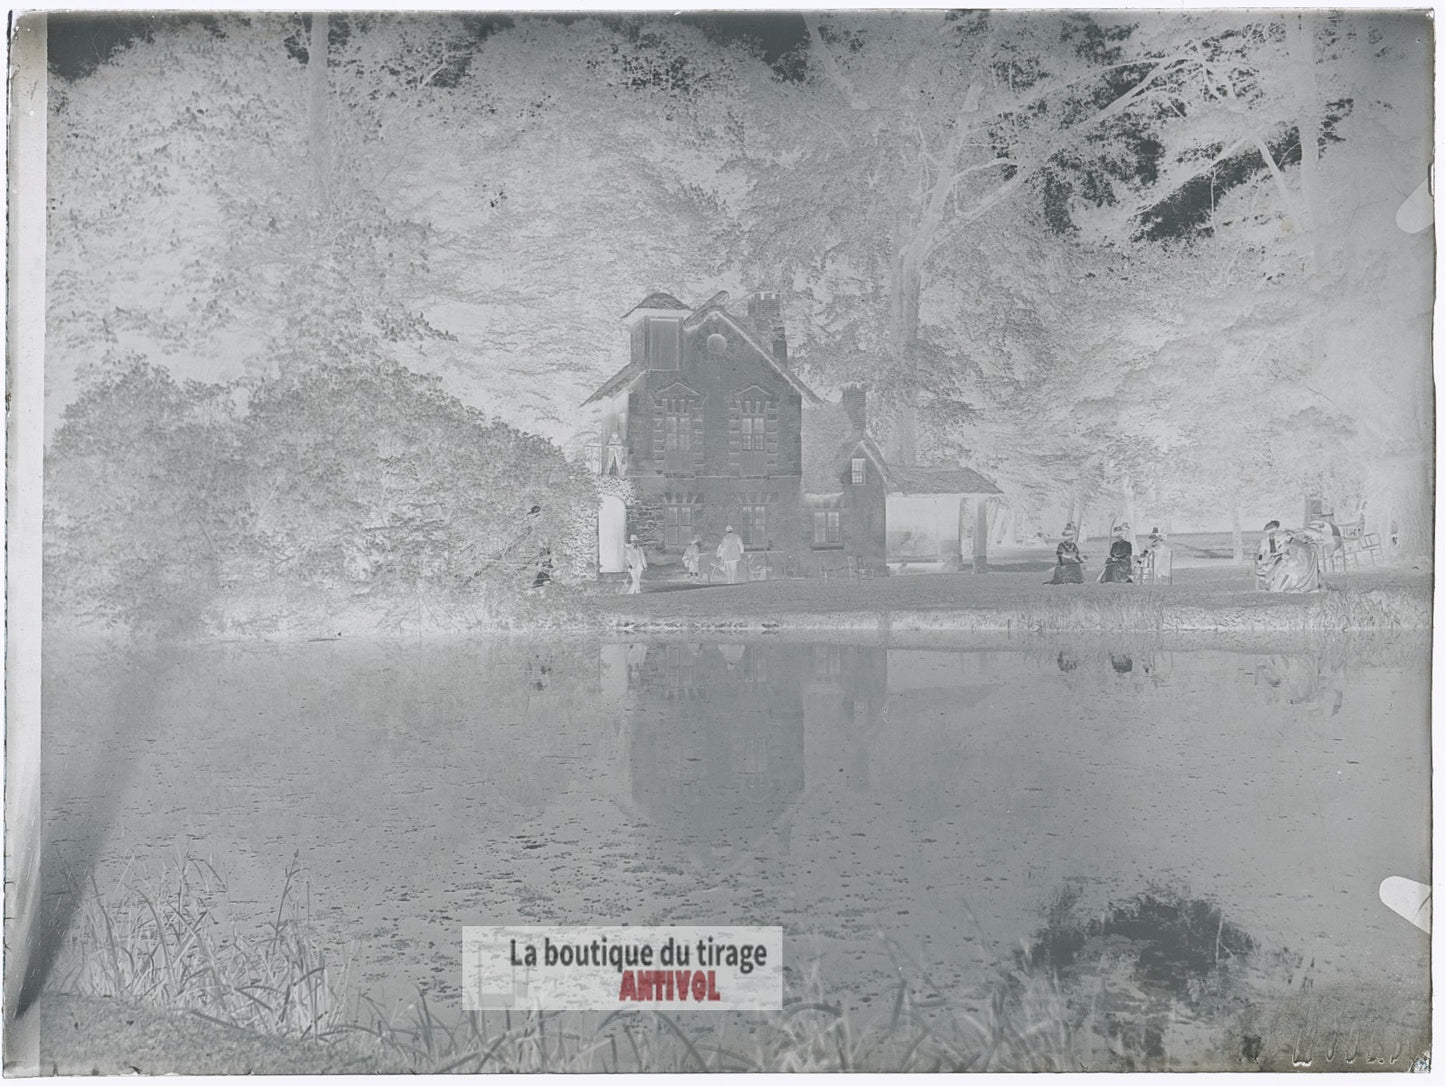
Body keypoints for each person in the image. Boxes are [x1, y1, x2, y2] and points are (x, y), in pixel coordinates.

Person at [1255, 520, 1322, 592]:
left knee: (1281, 564)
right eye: (1270, 533)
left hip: (1284, 556)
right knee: (1278, 563)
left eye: (1273, 532)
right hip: (1271, 557)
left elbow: (1287, 551)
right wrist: (1259, 560)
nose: (1272, 534)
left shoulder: (1282, 539)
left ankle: (1271, 581)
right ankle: (1270, 580)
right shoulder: (1264, 541)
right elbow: (1261, 553)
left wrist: (1284, 554)